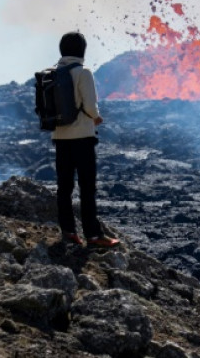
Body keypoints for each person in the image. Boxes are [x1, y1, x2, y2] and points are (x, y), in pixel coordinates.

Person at [52, 31, 120, 248]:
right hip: (82, 137)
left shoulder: (52, 73)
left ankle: (68, 231)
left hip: (60, 137)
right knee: (87, 187)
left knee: (64, 187)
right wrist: (96, 117)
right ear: (82, 50)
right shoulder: (83, 73)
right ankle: (92, 235)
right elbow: (90, 106)